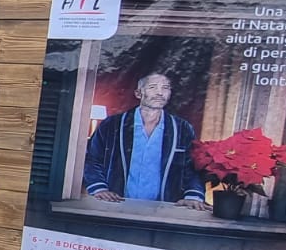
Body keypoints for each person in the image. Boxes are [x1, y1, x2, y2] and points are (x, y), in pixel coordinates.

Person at [84, 72, 206, 208]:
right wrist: (100, 188)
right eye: (153, 87)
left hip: (164, 209)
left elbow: (193, 167)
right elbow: (92, 159)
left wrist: (193, 196)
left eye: (165, 88)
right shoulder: (113, 125)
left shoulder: (182, 128)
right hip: (115, 205)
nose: (160, 93)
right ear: (138, 93)